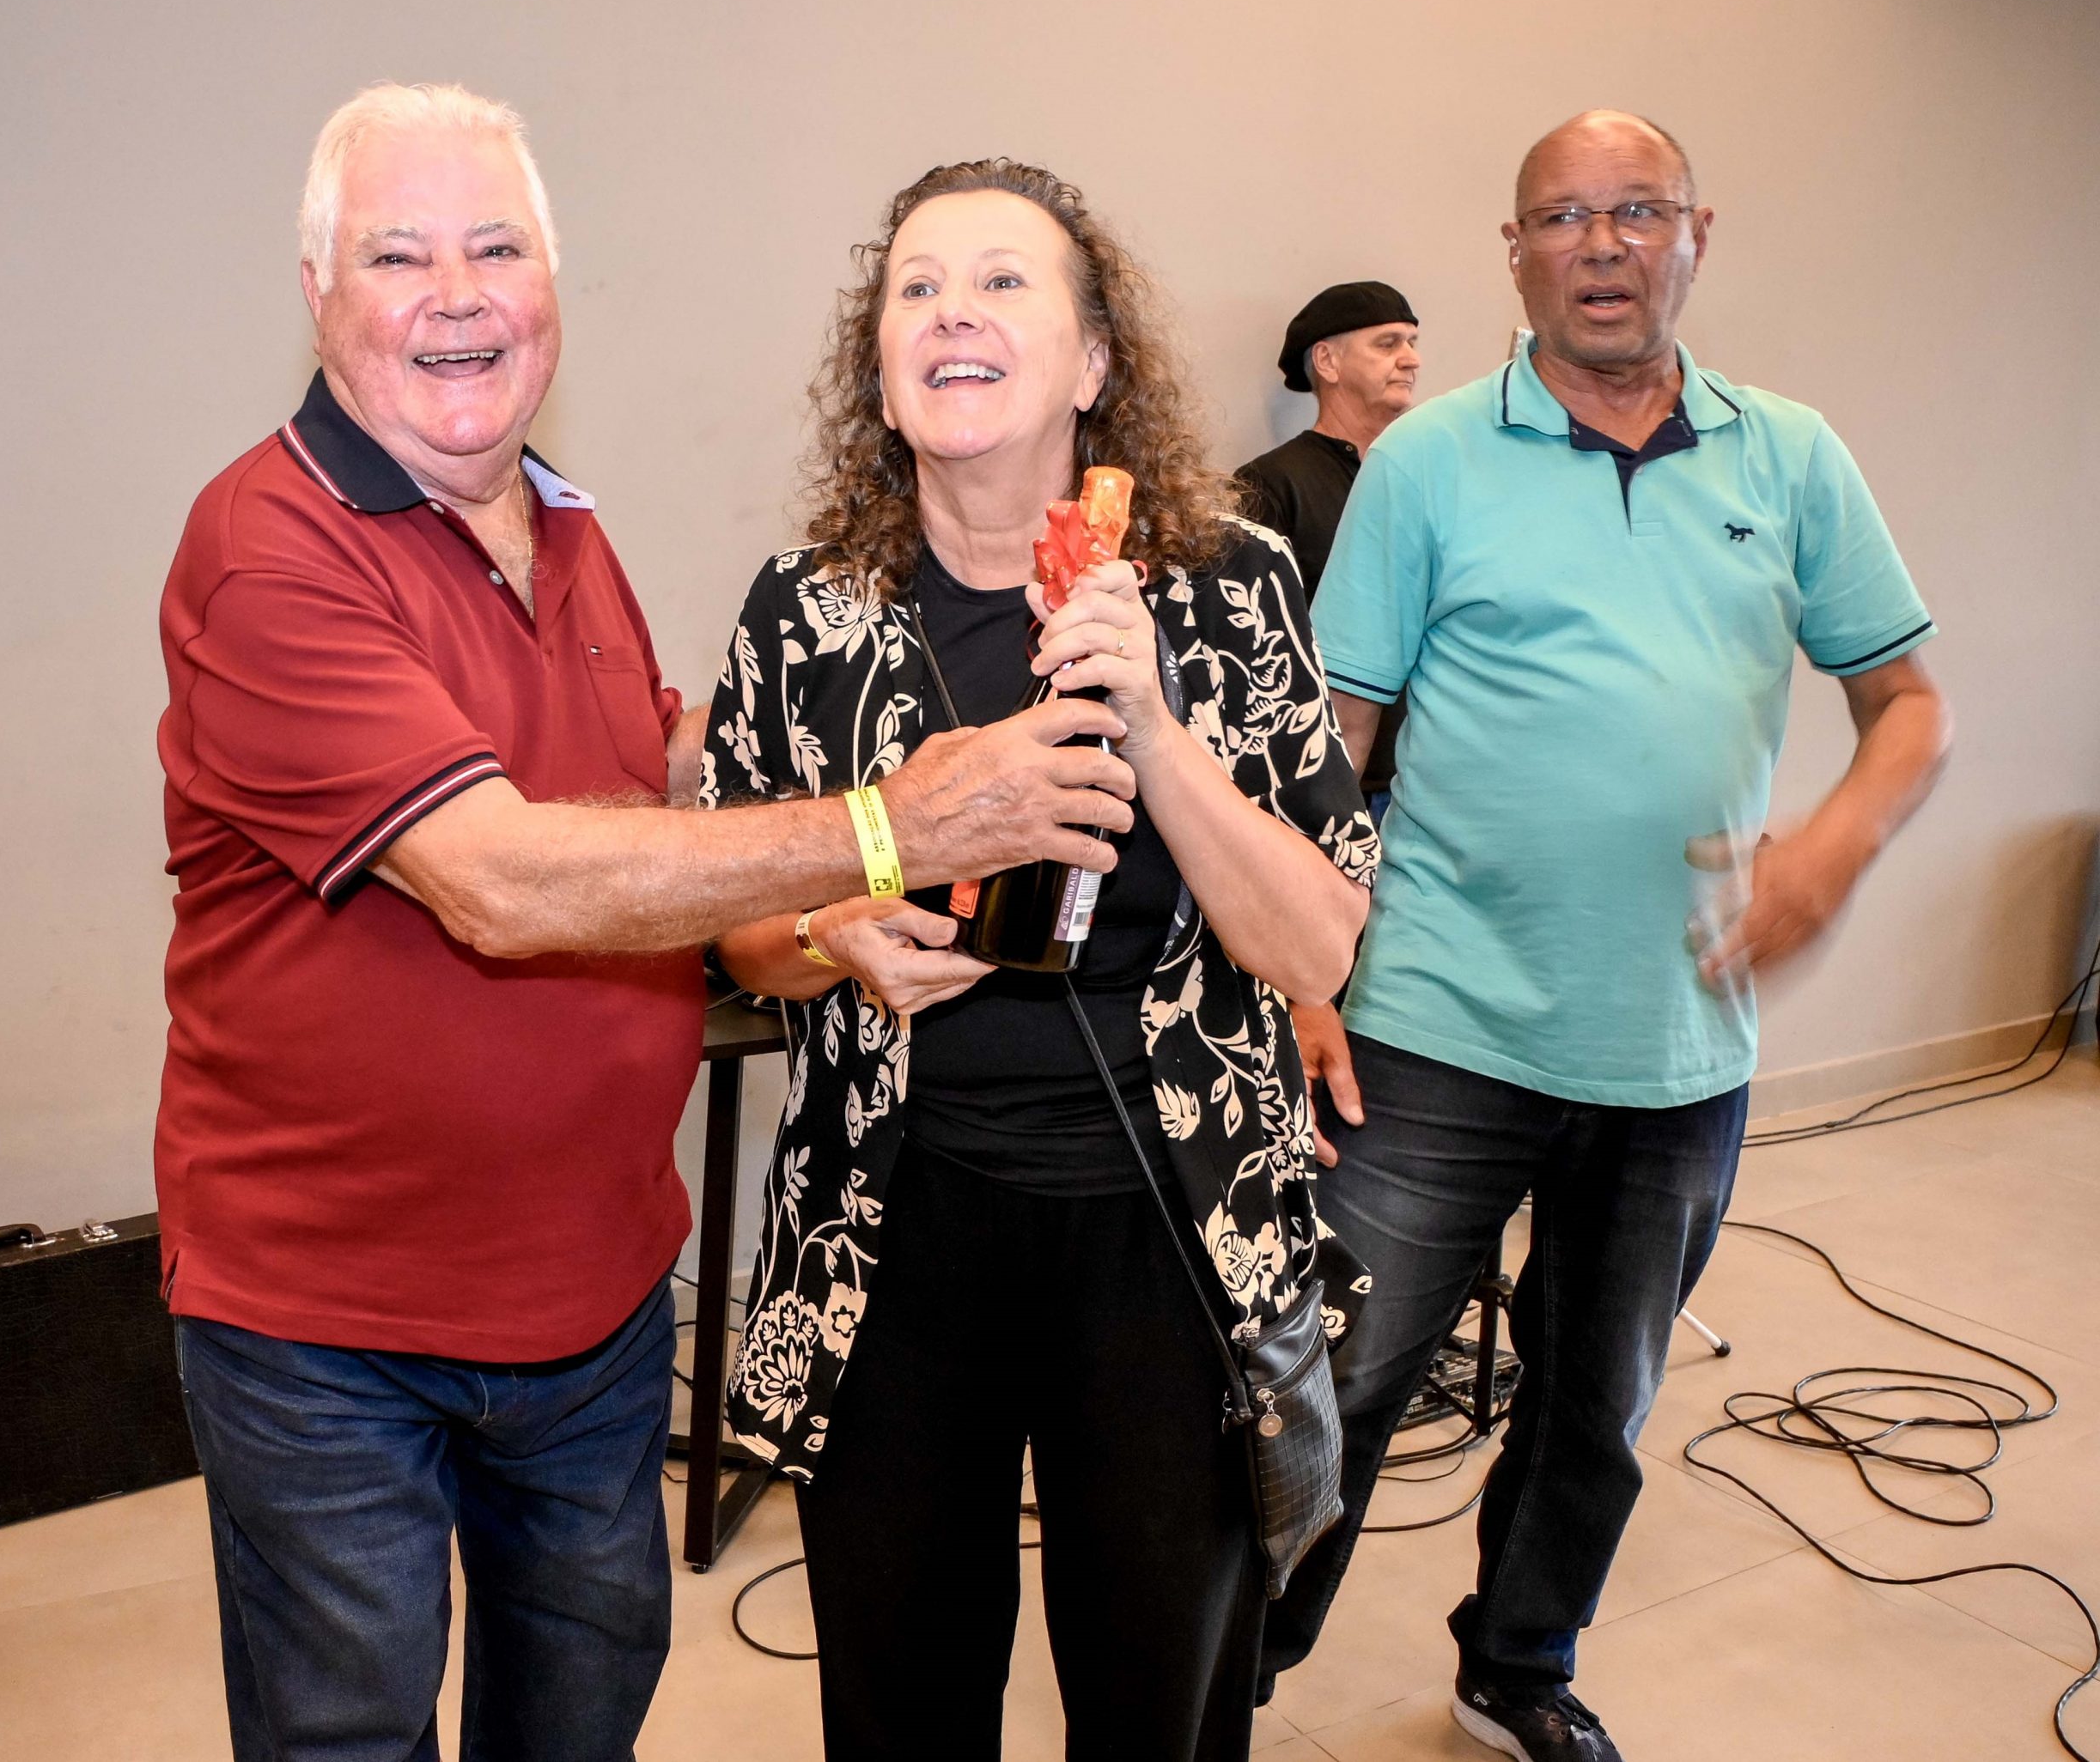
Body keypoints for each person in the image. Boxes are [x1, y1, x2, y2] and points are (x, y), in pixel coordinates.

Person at [155, 86, 1140, 1762]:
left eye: (497, 249)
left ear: (552, 282)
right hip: (337, 1331)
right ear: (317, 291)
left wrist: (821, 853)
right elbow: (501, 877)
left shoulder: (560, 518)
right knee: (346, 1732)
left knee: (579, 1717)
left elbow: (641, 780)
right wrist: (892, 825)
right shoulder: (269, 550)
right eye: (398, 255)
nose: (458, 296)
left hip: (598, 1293)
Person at [1263, 111, 1952, 1761]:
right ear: (1515, 255)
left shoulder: (1791, 455)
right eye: (1561, 217)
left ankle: (1516, 1668)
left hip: (1674, 1044)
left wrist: (1831, 852)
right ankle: (1227, 1671)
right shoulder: (1430, 460)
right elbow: (1334, 738)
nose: (1601, 243)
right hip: (1434, 1022)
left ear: (1698, 234)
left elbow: (1911, 705)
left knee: (1599, 1408)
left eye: (1637, 209)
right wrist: (1299, 971)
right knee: (1334, 1389)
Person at [701, 158, 1380, 1762]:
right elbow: (736, 936)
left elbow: (1317, 944)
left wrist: (1155, 723)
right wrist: (832, 931)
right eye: (917, 289)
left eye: (1003, 281)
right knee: (901, 1690)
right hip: (893, 1225)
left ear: (1092, 364)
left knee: (1160, 1691)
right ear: (883, 373)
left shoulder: (1227, 586)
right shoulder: (805, 613)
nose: (953, 311)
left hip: (1167, 1226)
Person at [1235, 282, 1421, 819]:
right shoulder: (1269, 486)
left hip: (1429, 779)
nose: (1412, 359)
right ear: (1327, 362)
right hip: (1334, 786)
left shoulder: (1422, 478)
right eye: (1387, 343)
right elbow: (1254, 651)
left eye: (1412, 342)